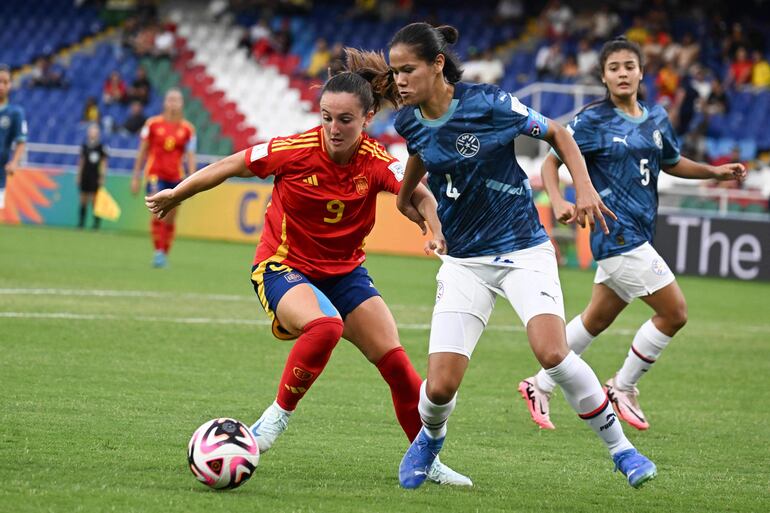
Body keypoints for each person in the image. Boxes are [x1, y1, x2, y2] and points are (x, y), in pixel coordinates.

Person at [144, 50, 471, 486]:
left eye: (345, 120)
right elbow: (230, 164)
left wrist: (432, 228)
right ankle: (274, 420)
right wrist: (176, 194)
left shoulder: (375, 159)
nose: (334, 129)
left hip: (346, 274)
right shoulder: (294, 150)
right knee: (325, 327)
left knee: (397, 365)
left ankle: (426, 462)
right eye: (326, 117)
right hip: (282, 266)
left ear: (367, 118)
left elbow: (420, 194)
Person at [386, 23, 656, 490]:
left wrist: (585, 188)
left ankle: (623, 452)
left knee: (552, 352)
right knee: (440, 387)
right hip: (466, 261)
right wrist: (416, 209)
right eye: (394, 72)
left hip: (523, 248)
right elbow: (420, 159)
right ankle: (429, 442)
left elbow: (557, 133)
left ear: (436, 65)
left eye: (408, 69)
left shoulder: (487, 103)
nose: (400, 81)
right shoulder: (408, 121)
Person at [518, 37, 746, 433]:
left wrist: (714, 172)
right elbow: (553, 163)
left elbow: (671, 163)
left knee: (594, 320)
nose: (622, 73)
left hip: (640, 231)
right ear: (604, 76)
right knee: (674, 313)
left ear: (642, 72)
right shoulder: (592, 120)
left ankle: (539, 384)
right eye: (614, 68)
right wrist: (557, 201)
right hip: (616, 233)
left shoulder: (656, 117)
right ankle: (623, 386)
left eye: (629, 66)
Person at [131, 88, 196, 268]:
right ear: (164, 103)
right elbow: (142, 151)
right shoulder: (152, 124)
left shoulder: (188, 129)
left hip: (176, 177)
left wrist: (193, 179)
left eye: (177, 100)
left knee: (171, 217)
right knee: (158, 212)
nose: (173, 103)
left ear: (182, 104)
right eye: (170, 99)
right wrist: (135, 177)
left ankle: (164, 252)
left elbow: (191, 156)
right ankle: (158, 251)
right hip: (154, 175)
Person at [0, 64, 27, 212]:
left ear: (10, 85)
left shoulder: (15, 113)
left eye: (5, 82)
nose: (1, 86)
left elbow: (21, 141)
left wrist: (14, 162)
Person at [76, 124, 108, 229]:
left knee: (95, 200)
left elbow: (103, 163)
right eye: (91, 131)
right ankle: (81, 223)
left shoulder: (101, 147)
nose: (92, 133)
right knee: (83, 199)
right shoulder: (84, 146)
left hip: (95, 175)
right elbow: (81, 162)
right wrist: (79, 175)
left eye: (94, 131)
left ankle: (96, 224)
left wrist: (102, 176)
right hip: (85, 174)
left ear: (98, 133)